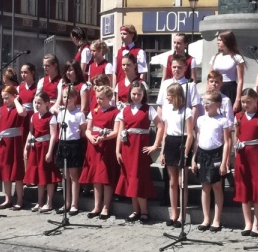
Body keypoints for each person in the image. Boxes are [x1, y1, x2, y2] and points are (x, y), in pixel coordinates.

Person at [114, 81, 164, 224]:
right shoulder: (124, 110)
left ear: (144, 95)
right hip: (127, 148)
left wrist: (155, 145)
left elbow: (160, 127)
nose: (136, 96)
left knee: (138, 179)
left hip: (139, 149)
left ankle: (144, 211)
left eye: (139, 94)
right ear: (130, 94)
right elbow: (120, 132)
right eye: (134, 93)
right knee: (129, 178)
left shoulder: (148, 109)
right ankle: (135, 210)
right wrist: (118, 150)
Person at [233, 88, 258, 236]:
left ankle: (257, 224)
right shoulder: (238, 117)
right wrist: (236, 148)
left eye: (248, 102)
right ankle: (247, 223)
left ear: (256, 100)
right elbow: (237, 136)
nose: (245, 105)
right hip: (243, 157)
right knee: (245, 189)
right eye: (243, 102)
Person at [192, 91, 232, 232]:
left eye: (208, 103)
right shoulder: (201, 119)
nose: (205, 105)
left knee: (216, 187)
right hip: (203, 154)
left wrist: (224, 162)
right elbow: (197, 139)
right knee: (205, 186)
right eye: (204, 102)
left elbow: (227, 142)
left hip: (216, 154)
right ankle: (206, 218)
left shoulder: (223, 120)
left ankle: (216, 219)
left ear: (217, 104)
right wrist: (193, 158)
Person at [81, 79, 119, 220]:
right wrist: (90, 137)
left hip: (106, 145)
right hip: (94, 146)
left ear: (109, 98)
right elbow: (88, 129)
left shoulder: (115, 112)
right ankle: (96, 206)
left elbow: (116, 132)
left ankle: (106, 206)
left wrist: (103, 138)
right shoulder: (93, 111)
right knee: (96, 177)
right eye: (97, 98)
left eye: (102, 98)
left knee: (106, 177)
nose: (99, 100)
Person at [160, 83, 195, 227]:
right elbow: (165, 132)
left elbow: (190, 134)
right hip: (170, 142)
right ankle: (173, 213)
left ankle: (182, 215)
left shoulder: (187, 112)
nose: (167, 98)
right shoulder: (168, 111)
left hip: (181, 143)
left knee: (182, 182)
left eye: (169, 95)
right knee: (172, 182)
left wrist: (186, 153)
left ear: (176, 96)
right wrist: (162, 152)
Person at [0, 85, 27, 209]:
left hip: (14, 143)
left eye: (7, 98)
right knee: (5, 170)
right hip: (3, 143)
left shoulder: (19, 108)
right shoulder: (1, 109)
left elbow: (22, 113)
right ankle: (8, 199)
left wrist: (17, 100)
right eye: (3, 98)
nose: (5, 100)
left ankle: (20, 199)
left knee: (16, 171)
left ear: (13, 96)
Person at [24, 92, 61, 213]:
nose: (37, 105)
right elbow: (31, 132)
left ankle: (49, 202)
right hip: (36, 148)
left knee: (48, 175)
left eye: (39, 103)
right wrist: (26, 146)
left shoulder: (51, 117)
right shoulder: (34, 116)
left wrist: (50, 152)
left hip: (45, 148)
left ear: (46, 104)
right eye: (35, 102)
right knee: (39, 175)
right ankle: (39, 202)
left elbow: (53, 135)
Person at [54, 87, 87, 214]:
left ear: (74, 98)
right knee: (65, 175)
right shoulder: (61, 113)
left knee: (74, 175)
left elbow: (82, 132)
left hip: (74, 144)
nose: (65, 99)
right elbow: (59, 129)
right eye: (63, 97)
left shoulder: (79, 114)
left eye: (68, 97)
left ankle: (74, 203)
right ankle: (66, 202)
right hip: (63, 144)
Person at [209, 30, 246, 112]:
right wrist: (208, 93)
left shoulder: (237, 58)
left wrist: (238, 99)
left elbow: (240, 80)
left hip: (230, 88)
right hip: (216, 87)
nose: (217, 42)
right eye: (217, 40)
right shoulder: (215, 57)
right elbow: (210, 78)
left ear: (227, 41)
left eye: (220, 40)